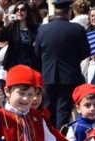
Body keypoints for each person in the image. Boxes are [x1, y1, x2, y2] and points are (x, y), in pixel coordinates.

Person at [35, 0, 90, 129]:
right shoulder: (77, 29)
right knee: (63, 111)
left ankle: (46, 137)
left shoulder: (43, 29)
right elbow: (85, 52)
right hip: (69, 76)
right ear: (69, 12)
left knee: (47, 109)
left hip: (48, 75)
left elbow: (37, 52)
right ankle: (60, 140)